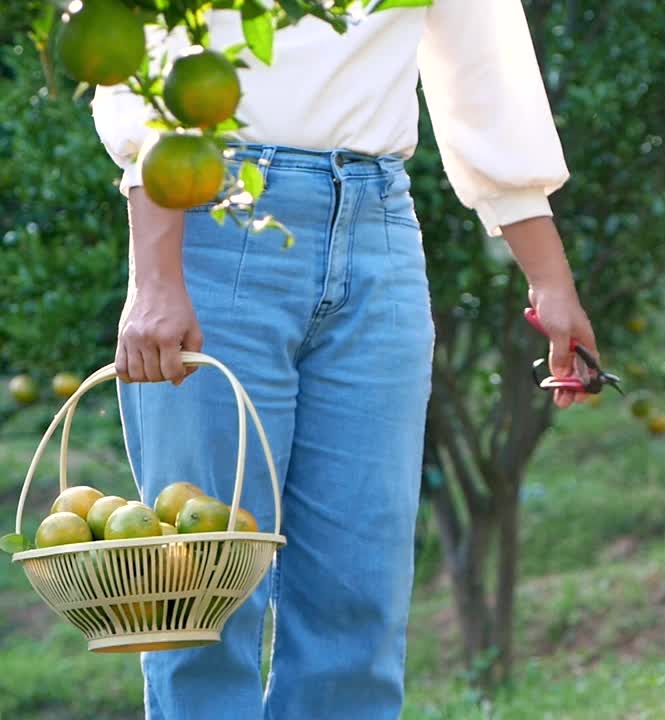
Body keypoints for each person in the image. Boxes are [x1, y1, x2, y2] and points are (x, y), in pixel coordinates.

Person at [90, 2, 598, 718]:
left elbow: (484, 61)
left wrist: (549, 279)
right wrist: (155, 276)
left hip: (379, 222)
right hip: (213, 210)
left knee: (358, 607)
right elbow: (140, 41)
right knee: (200, 598)